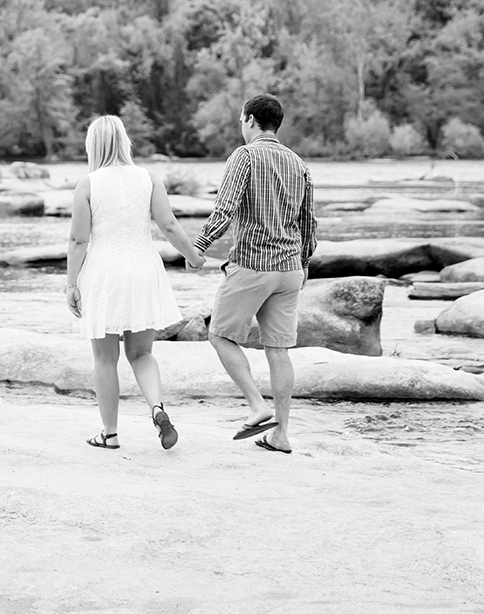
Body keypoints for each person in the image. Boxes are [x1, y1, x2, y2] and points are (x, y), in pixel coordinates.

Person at [67, 115, 204, 450]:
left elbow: (78, 241)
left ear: (93, 145)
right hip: (144, 270)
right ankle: (157, 408)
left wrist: (71, 284)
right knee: (141, 353)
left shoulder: (88, 184)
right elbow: (169, 225)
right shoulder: (149, 178)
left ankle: (110, 434)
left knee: (105, 359)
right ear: (124, 142)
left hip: (104, 273)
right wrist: (193, 256)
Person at [191, 94, 317, 455]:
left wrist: (199, 246)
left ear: (249, 119)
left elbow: (225, 208)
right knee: (279, 350)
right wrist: (304, 264)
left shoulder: (244, 156)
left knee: (220, 336)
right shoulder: (298, 162)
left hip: (253, 264)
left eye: (240, 119)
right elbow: (308, 221)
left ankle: (257, 406)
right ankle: (281, 435)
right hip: (289, 269)